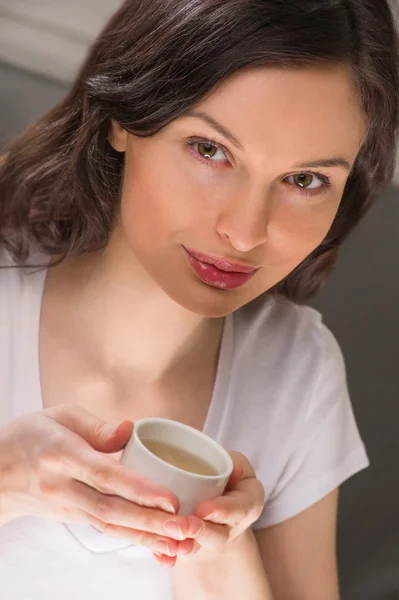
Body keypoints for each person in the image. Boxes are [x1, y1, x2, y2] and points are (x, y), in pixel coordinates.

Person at [0, 0, 398, 598]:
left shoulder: (298, 372)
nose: (245, 231)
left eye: (305, 180)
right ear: (124, 121)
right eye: (211, 150)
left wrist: (217, 554)